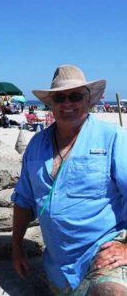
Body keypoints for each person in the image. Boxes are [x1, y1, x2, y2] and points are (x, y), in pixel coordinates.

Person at [11, 65, 127, 295]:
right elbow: (23, 200)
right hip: (59, 269)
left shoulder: (113, 138)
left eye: (75, 96)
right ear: (51, 103)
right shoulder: (36, 146)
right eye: (59, 97)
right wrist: (16, 248)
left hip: (103, 255)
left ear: (88, 100)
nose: (67, 103)